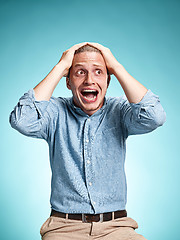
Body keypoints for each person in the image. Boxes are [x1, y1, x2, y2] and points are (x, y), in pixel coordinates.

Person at [9, 42, 166, 240]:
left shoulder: (120, 110)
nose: (89, 80)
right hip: (63, 229)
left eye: (98, 72)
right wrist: (59, 68)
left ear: (108, 81)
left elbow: (155, 116)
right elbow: (22, 120)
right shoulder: (55, 112)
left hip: (116, 228)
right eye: (80, 72)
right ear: (68, 82)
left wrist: (116, 67)